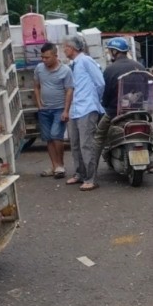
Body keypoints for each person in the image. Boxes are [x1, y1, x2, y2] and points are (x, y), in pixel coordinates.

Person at [92, 37, 146, 180]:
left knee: (98, 137)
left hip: (115, 113)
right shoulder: (140, 66)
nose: (110, 53)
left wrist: (105, 104)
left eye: (110, 50)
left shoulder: (110, 70)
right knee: (148, 134)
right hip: (139, 112)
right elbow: (146, 93)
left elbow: (106, 95)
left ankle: (91, 174)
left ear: (114, 51)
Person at [61, 36, 105, 191]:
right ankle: (80, 173)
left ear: (73, 48)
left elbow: (100, 83)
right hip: (76, 108)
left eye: (66, 47)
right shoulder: (73, 64)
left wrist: (95, 100)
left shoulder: (86, 61)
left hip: (87, 107)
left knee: (86, 144)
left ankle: (91, 178)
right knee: (75, 144)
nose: (64, 50)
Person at [33, 42, 73, 179]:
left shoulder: (65, 70)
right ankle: (55, 166)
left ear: (55, 56)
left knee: (56, 135)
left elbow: (69, 90)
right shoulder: (39, 69)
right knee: (48, 138)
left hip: (59, 109)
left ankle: (61, 165)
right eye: (42, 57)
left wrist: (66, 110)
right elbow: (36, 86)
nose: (44, 60)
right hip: (44, 109)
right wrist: (39, 104)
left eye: (47, 57)